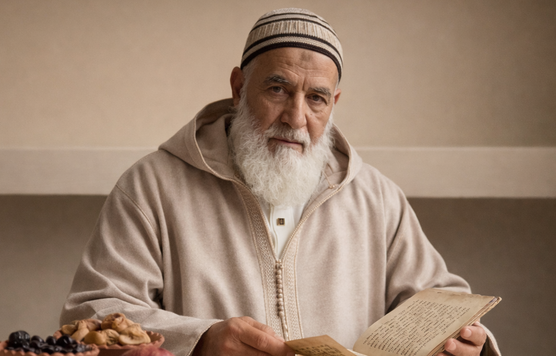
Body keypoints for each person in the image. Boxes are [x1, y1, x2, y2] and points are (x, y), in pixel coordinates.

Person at [61, 8, 500, 356]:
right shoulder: (151, 187)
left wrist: (465, 345)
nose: (296, 117)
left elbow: (442, 304)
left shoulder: (377, 198)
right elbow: (90, 314)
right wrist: (199, 342)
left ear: (334, 103)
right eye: (277, 89)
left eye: (316, 98)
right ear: (238, 87)